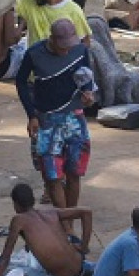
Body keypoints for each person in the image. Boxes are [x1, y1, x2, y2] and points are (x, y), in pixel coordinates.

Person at [16, 19, 96, 210]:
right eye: (62, 47)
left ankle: (70, 213)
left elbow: (85, 75)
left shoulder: (80, 50)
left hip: (75, 117)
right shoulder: (35, 54)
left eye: (70, 46)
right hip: (47, 120)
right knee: (52, 175)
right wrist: (31, 115)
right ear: (51, 39)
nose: (66, 51)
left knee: (75, 172)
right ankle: (63, 219)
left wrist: (88, 93)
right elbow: (21, 82)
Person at [0, 182, 92, 276]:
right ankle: (90, 267)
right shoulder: (51, 212)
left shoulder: (19, 221)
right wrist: (83, 246)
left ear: (16, 204)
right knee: (58, 245)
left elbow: (4, 258)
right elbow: (86, 212)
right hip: (79, 269)